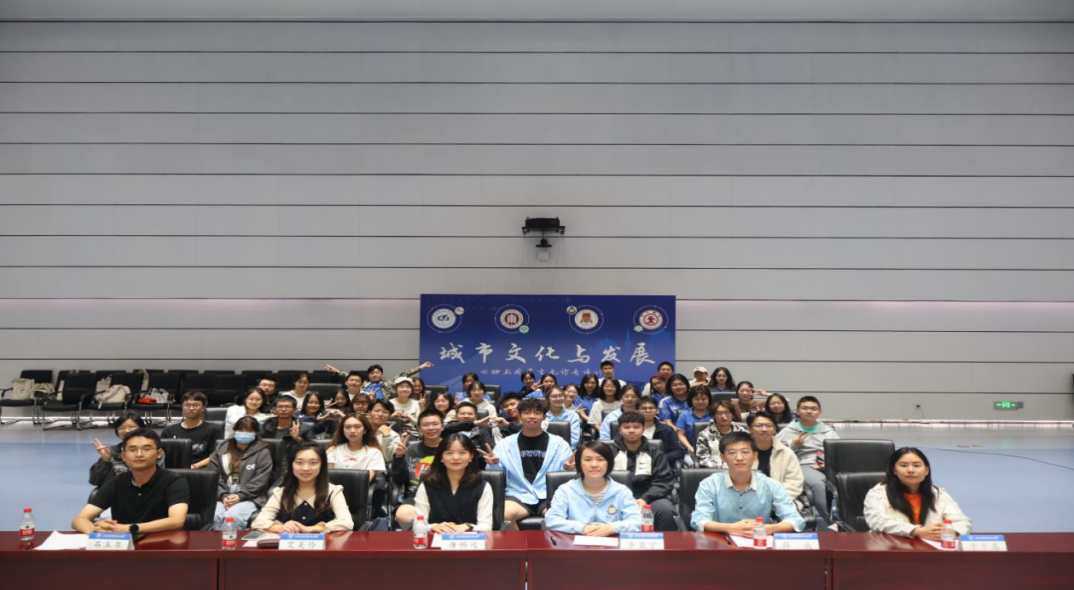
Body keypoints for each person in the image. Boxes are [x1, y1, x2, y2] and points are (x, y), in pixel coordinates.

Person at [478, 398, 575, 529]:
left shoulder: (559, 444)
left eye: (537, 413)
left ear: (544, 417)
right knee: (505, 515)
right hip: (518, 494)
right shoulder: (505, 444)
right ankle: (518, 543)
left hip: (549, 494)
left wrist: (567, 468)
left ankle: (548, 543)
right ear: (520, 415)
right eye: (527, 412)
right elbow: (496, 475)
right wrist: (495, 464)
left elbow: (565, 476)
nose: (532, 416)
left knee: (560, 517)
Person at [72, 428, 190, 534]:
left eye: (146, 449)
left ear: (159, 453)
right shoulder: (116, 482)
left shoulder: (174, 481)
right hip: (124, 544)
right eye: (132, 449)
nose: (139, 454)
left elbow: (176, 521)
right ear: (124, 456)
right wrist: (95, 531)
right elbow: (79, 520)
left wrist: (129, 528)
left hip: (164, 544)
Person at [690, 432, 805, 535]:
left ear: (754, 456)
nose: (739, 458)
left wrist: (768, 529)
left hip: (758, 541)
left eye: (745, 452)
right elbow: (699, 521)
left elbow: (796, 521)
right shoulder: (709, 484)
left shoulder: (771, 485)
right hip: (720, 542)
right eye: (732, 452)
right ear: (722, 457)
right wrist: (730, 528)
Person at [864, 447, 971, 539]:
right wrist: (916, 531)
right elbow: (877, 521)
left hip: (930, 549)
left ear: (926, 470)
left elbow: (961, 521)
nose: (911, 470)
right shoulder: (878, 493)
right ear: (894, 470)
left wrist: (952, 531)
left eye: (916, 465)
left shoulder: (939, 494)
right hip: (891, 547)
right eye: (903, 465)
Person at [250, 442, 353, 532]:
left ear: (322, 466)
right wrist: (280, 527)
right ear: (291, 465)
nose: (305, 468)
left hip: (324, 546)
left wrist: (311, 529)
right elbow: (258, 522)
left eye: (313, 463)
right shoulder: (281, 492)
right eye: (299, 462)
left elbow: (347, 523)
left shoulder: (333, 491)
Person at [545, 441, 642, 535]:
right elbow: (552, 519)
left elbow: (637, 521)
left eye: (600, 459)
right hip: (575, 542)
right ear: (579, 463)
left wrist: (612, 528)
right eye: (588, 460)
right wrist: (582, 528)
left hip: (612, 542)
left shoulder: (622, 492)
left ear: (609, 463)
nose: (594, 465)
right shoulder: (566, 490)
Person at [776, 395, 839, 527]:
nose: (809, 411)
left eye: (813, 409)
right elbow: (777, 455)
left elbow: (839, 452)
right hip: (804, 466)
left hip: (829, 465)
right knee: (819, 483)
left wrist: (829, 463)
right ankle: (835, 524)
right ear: (797, 411)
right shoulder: (787, 431)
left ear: (819, 412)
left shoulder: (829, 432)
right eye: (805, 408)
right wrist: (793, 445)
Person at [414, 434, 495, 532]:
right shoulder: (428, 484)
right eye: (449, 453)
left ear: (471, 456)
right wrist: (432, 527)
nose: (456, 457)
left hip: (470, 539)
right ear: (441, 456)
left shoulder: (482, 486)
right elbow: (418, 525)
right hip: (436, 537)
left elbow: (486, 526)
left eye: (462, 452)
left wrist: (468, 526)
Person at [611, 412, 677, 531]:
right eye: (626, 427)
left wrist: (644, 499)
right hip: (614, 497)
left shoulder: (655, 453)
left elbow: (664, 480)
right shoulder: (608, 452)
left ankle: (665, 542)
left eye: (636, 427)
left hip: (649, 497)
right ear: (620, 430)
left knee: (665, 509)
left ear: (643, 429)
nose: (631, 431)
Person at [208, 416, 274, 529]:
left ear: (256, 433)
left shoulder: (263, 452)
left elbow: (261, 480)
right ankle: (211, 541)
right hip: (221, 497)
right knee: (214, 515)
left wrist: (241, 496)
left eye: (249, 431)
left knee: (232, 516)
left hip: (251, 498)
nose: (244, 434)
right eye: (241, 430)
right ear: (235, 430)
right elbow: (213, 475)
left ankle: (228, 540)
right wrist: (223, 495)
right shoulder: (222, 449)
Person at [392, 409, 444, 528]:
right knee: (403, 514)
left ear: (442, 427)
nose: (431, 428)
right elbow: (399, 479)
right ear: (419, 428)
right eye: (426, 425)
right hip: (416, 496)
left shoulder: (451, 449)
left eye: (435, 424)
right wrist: (399, 457)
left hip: (447, 495)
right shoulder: (411, 450)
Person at [746, 412, 804, 506]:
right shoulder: (739, 453)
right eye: (759, 425)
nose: (764, 429)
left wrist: (775, 500)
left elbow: (794, 483)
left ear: (774, 430)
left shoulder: (787, 453)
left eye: (769, 425)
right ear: (749, 429)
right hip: (747, 501)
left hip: (780, 501)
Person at [90, 413, 163, 487]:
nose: (127, 431)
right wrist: (106, 460)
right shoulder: (112, 451)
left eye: (132, 427)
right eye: (121, 428)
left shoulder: (153, 451)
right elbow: (95, 480)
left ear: (142, 428)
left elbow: (156, 478)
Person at [161, 391, 222, 469]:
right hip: (174, 469)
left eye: (196, 405)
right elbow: (161, 453)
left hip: (202, 470)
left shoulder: (214, 430)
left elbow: (216, 455)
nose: (191, 408)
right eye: (187, 405)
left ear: (203, 408)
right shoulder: (169, 430)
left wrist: (194, 466)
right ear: (182, 407)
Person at [324, 362, 433, 401]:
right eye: (372, 373)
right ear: (368, 375)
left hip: (383, 407)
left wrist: (421, 367)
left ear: (382, 375)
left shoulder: (388, 383)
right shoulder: (363, 384)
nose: (375, 375)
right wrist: (335, 370)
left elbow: (405, 374)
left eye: (377, 373)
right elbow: (348, 376)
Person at [325, 413, 385, 482]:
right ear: (343, 430)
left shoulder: (375, 453)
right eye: (347, 427)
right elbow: (327, 478)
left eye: (357, 427)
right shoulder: (333, 450)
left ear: (365, 430)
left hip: (359, 487)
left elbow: (366, 481)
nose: (352, 431)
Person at [695, 400, 748, 468]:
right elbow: (703, 459)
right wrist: (725, 465)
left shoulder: (743, 432)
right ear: (713, 416)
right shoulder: (705, 435)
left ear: (733, 415)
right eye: (719, 413)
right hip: (716, 470)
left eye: (727, 412)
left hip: (741, 468)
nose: (723, 416)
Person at [259, 395, 313, 462]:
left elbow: (312, 450)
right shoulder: (265, 427)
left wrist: (297, 438)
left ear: (295, 410)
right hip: (267, 461)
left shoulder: (305, 428)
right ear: (274, 409)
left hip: (293, 462)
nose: (283, 409)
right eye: (280, 406)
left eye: (287, 407)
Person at [638, 396, 685, 466]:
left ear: (657, 411)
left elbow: (679, 452)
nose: (647, 411)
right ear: (637, 411)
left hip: (662, 466)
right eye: (644, 408)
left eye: (651, 408)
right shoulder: (631, 429)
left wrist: (660, 458)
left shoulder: (666, 429)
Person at [675, 386, 713, 454]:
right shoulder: (684, 415)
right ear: (691, 400)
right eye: (697, 399)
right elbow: (680, 435)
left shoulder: (714, 414)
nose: (700, 401)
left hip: (713, 450)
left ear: (709, 399)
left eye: (704, 399)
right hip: (691, 450)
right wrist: (690, 448)